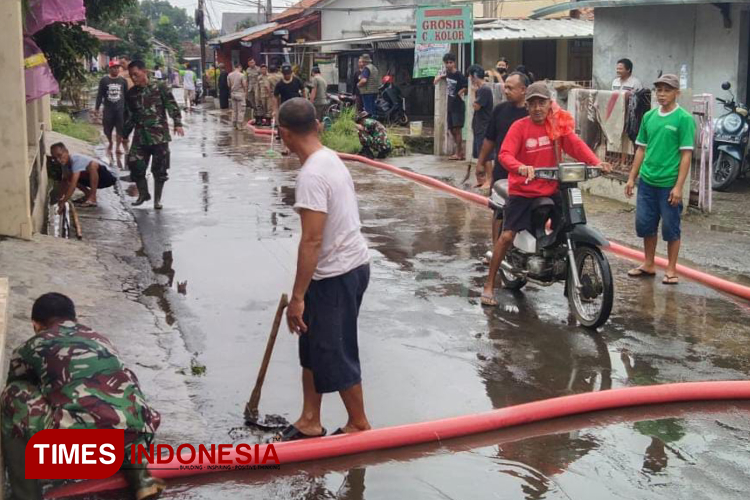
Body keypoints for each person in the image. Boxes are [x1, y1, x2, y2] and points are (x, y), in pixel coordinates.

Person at [271, 98, 371, 442]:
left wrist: (298, 297)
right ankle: (310, 418)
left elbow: (312, 240)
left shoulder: (313, 174)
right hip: (341, 269)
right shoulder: (328, 158)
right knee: (312, 344)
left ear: (284, 134)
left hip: (338, 274)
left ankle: (358, 422)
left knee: (334, 349)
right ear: (317, 125)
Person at [0, 293, 164, 500]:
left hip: (82, 450)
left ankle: (26, 495)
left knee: (13, 395)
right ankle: (139, 476)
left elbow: (18, 385)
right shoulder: (101, 339)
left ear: (36, 325)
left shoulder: (30, 347)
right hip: (139, 438)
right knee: (122, 383)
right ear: (74, 319)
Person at [481, 82, 610, 306]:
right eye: (533, 104)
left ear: (550, 104)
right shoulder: (519, 128)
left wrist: (596, 162)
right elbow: (504, 154)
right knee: (508, 236)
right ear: (527, 106)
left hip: (551, 188)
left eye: (542, 103)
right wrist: (520, 167)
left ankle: (568, 279)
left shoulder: (556, 126)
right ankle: (489, 285)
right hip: (523, 190)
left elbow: (575, 145)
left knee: (569, 226)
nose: (538, 108)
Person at [625, 74, 695, 285]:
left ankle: (671, 269)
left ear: (676, 93)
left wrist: (679, 187)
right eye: (659, 90)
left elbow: (686, 154)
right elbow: (641, 149)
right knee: (645, 224)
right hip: (647, 181)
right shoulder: (649, 117)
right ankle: (648, 263)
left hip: (668, 184)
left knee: (670, 227)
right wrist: (631, 178)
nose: (662, 94)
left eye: (667, 90)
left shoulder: (684, 119)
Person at [475, 72, 529, 251]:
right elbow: (489, 139)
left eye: (510, 88)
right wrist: (481, 162)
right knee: (499, 212)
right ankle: (496, 250)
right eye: (505, 87)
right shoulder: (499, 110)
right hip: (502, 171)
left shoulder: (532, 113)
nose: (505, 91)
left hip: (526, 172)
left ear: (523, 90)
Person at [125, 60, 184, 210]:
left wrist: (177, 123)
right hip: (140, 135)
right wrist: (124, 133)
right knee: (134, 163)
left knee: (160, 169)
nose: (134, 78)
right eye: (131, 76)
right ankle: (143, 194)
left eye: (136, 74)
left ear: (144, 71)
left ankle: (157, 200)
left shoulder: (160, 87)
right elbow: (130, 116)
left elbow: (171, 104)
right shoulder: (131, 94)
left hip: (159, 136)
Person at [51, 142, 117, 209]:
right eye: (55, 158)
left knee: (92, 165)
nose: (58, 160)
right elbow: (65, 182)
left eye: (60, 155)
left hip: (109, 177)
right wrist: (59, 198)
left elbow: (73, 185)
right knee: (69, 177)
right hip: (98, 181)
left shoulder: (75, 159)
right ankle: (88, 194)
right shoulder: (64, 165)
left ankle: (93, 198)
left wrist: (64, 201)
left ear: (67, 152)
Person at [434, 53, 467, 161]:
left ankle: (459, 153)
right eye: (447, 63)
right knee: (451, 129)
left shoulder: (459, 75)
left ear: (454, 63)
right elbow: (438, 80)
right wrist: (439, 77)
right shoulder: (447, 74)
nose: (449, 65)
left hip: (458, 106)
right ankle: (459, 152)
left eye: (451, 62)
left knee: (457, 130)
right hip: (450, 106)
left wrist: (459, 93)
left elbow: (466, 86)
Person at [95, 60, 129, 154]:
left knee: (120, 129)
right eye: (114, 68)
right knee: (107, 129)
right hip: (108, 109)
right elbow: (99, 95)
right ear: (110, 69)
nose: (116, 69)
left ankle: (118, 147)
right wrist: (96, 108)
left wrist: (128, 109)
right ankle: (110, 142)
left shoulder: (123, 81)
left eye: (118, 67)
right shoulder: (104, 80)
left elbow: (126, 96)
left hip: (120, 110)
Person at [469, 65, 494, 181]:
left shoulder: (484, 90)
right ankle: (483, 179)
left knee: (486, 154)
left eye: (470, 76)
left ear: (474, 76)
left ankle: (489, 179)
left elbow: (476, 106)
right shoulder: (482, 89)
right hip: (479, 126)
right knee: (481, 154)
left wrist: (474, 92)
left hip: (484, 126)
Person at [228, 63, 248, 130]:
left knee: (234, 110)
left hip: (233, 93)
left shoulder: (229, 75)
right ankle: (239, 124)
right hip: (240, 93)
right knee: (241, 110)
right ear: (239, 67)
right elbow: (244, 85)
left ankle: (234, 123)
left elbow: (229, 85)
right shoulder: (242, 75)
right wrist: (245, 92)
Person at [245, 58, 260, 122]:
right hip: (250, 88)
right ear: (248, 63)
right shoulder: (247, 70)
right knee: (252, 102)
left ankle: (259, 116)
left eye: (253, 62)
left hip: (257, 88)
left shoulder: (258, 69)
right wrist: (246, 91)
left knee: (258, 102)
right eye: (251, 62)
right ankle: (255, 115)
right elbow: (247, 80)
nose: (252, 63)